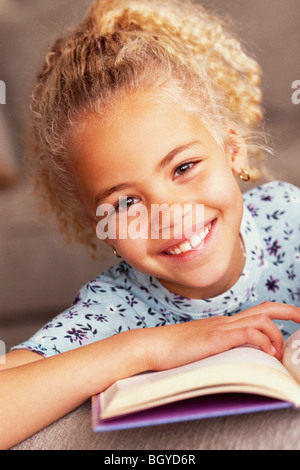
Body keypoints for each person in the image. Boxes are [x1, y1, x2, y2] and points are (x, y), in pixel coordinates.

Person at [1, 0, 300, 449]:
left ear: (232, 151)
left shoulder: (288, 217)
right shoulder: (116, 306)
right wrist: (147, 347)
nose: (169, 215)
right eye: (124, 203)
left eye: (183, 168)